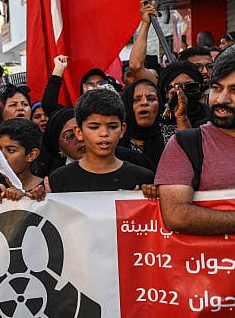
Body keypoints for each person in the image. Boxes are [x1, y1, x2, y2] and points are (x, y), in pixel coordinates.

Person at [156, 48, 235, 233]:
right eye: (216, 88)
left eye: (234, 90)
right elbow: (177, 215)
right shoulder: (187, 144)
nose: (221, 99)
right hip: (211, 261)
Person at [47, 89, 156, 193]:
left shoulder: (143, 178)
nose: (104, 133)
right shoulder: (59, 180)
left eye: (112, 127)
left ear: (122, 130)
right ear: (79, 132)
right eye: (94, 127)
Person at [0, 118, 46, 208]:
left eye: (11, 150)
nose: (1, 156)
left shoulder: (45, 189)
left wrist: (28, 197)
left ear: (31, 155)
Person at [119, 79, 166, 169]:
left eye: (151, 99)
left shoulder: (172, 136)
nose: (144, 103)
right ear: (127, 105)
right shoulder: (115, 138)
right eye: (136, 100)